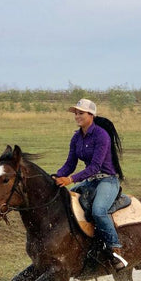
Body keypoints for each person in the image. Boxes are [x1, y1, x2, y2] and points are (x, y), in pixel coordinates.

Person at [54, 98, 128, 270]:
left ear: (91, 115)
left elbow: (95, 167)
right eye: (76, 113)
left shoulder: (102, 135)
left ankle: (115, 249)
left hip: (107, 180)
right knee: (66, 202)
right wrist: (57, 176)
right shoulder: (76, 138)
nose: (77, 116)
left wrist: (70, 179)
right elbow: (70, 164)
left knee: (98, 211)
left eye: (81, 113)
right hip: (91, 181)